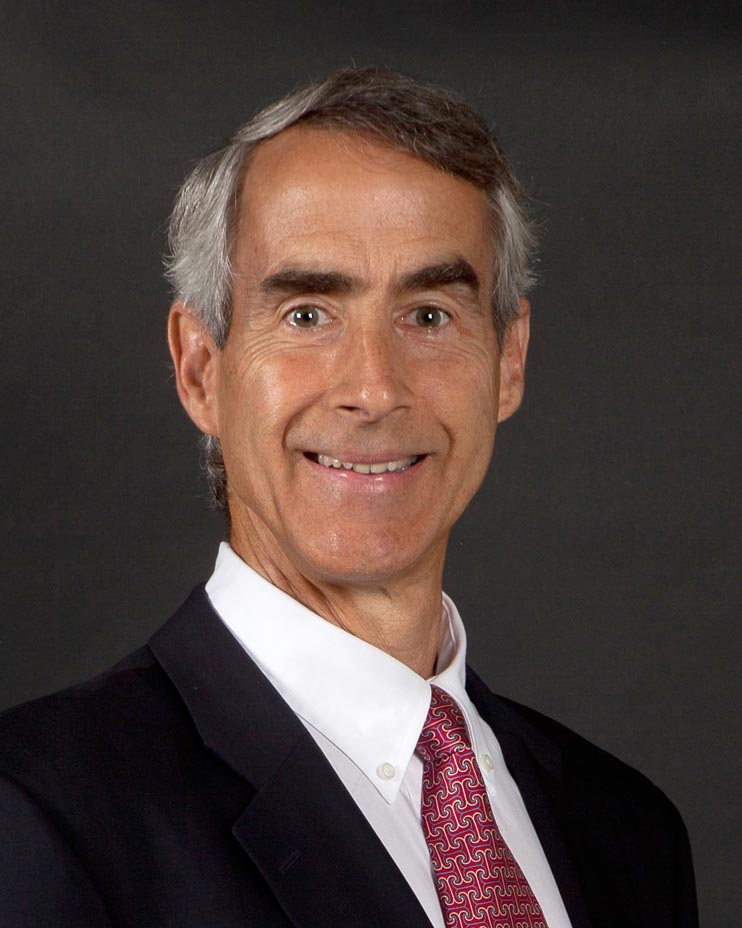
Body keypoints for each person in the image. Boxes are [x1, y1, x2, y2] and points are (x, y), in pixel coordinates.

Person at [0, 68, 697, 927]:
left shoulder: (626, 830)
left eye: (431, 315)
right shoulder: (38, 816)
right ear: (201, 368)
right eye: (306, 314)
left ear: (508, 361)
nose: (374, 388)